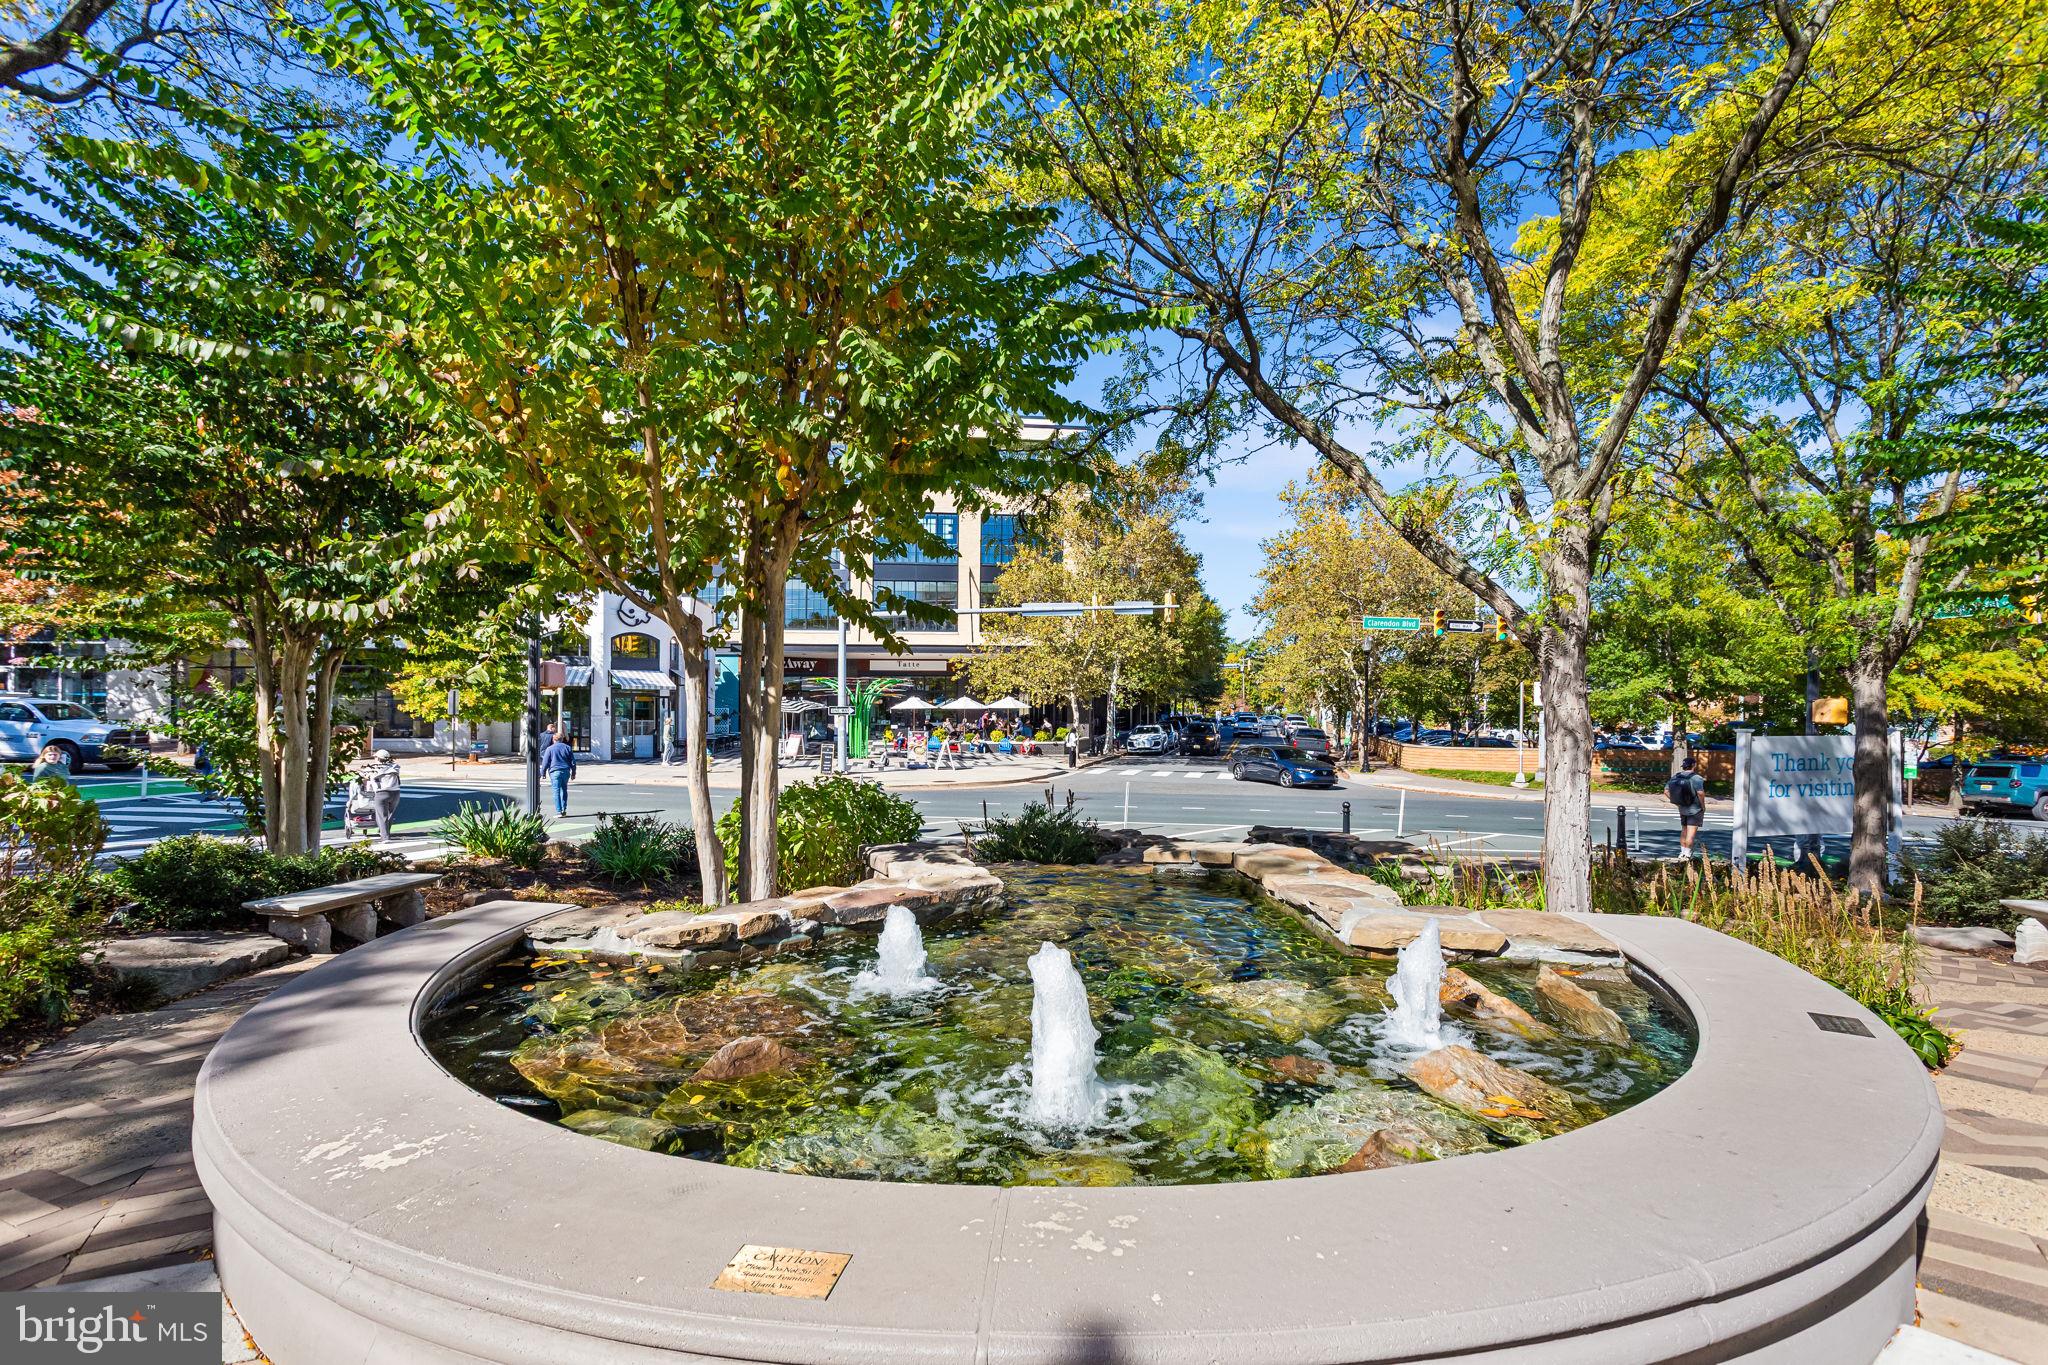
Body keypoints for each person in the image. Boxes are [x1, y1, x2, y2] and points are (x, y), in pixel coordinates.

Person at [1667, 754, 1707, 859]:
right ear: (1694, 765)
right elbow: (1700, 793)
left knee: (1684, 830)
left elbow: (1666, 791)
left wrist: (1677, 802)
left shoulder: (1675, 776)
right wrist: (1703, 806)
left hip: (1682, 808)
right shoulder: (1697, 778)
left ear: (1683, 766)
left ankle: (1682, 852)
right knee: (1691, 833)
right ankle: (1688, 854)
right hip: (1695, 809)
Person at [360, 748, 403, 841]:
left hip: (381, 793)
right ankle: (386, 832)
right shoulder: (395, 766)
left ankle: (385, 837)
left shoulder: (372, 768)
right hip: (395, 793)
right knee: (389, 814)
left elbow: (362, 775)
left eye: (375, 757)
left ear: (378, 758)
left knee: (381, 816)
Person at [539, 732, 577, 816]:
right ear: (562, 739)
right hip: (566, 771)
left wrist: (543, 772)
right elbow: (573, 762)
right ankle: (564, 809)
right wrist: (573, 772)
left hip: (555, 771)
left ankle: (559, 811)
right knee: (564, 790)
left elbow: (545, 762)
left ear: (553, 739)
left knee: (556, 791)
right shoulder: (567, 748)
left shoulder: (550, 749)